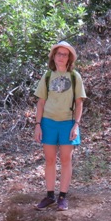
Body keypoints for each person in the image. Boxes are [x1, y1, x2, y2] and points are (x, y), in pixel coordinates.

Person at [33, 41, 86, 211]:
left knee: (65, 159)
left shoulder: (74, 76)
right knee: (49, 160)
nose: (61, 57)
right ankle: (50, 196)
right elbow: (41, 103)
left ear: (69, 57)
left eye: (65, 54)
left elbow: (79, 103)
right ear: (54, 56)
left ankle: (62, 197)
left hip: (68, 123)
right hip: (48, 122)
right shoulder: (47, 76)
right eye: (59, 54)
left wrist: (76, 125)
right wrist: (38, 125)